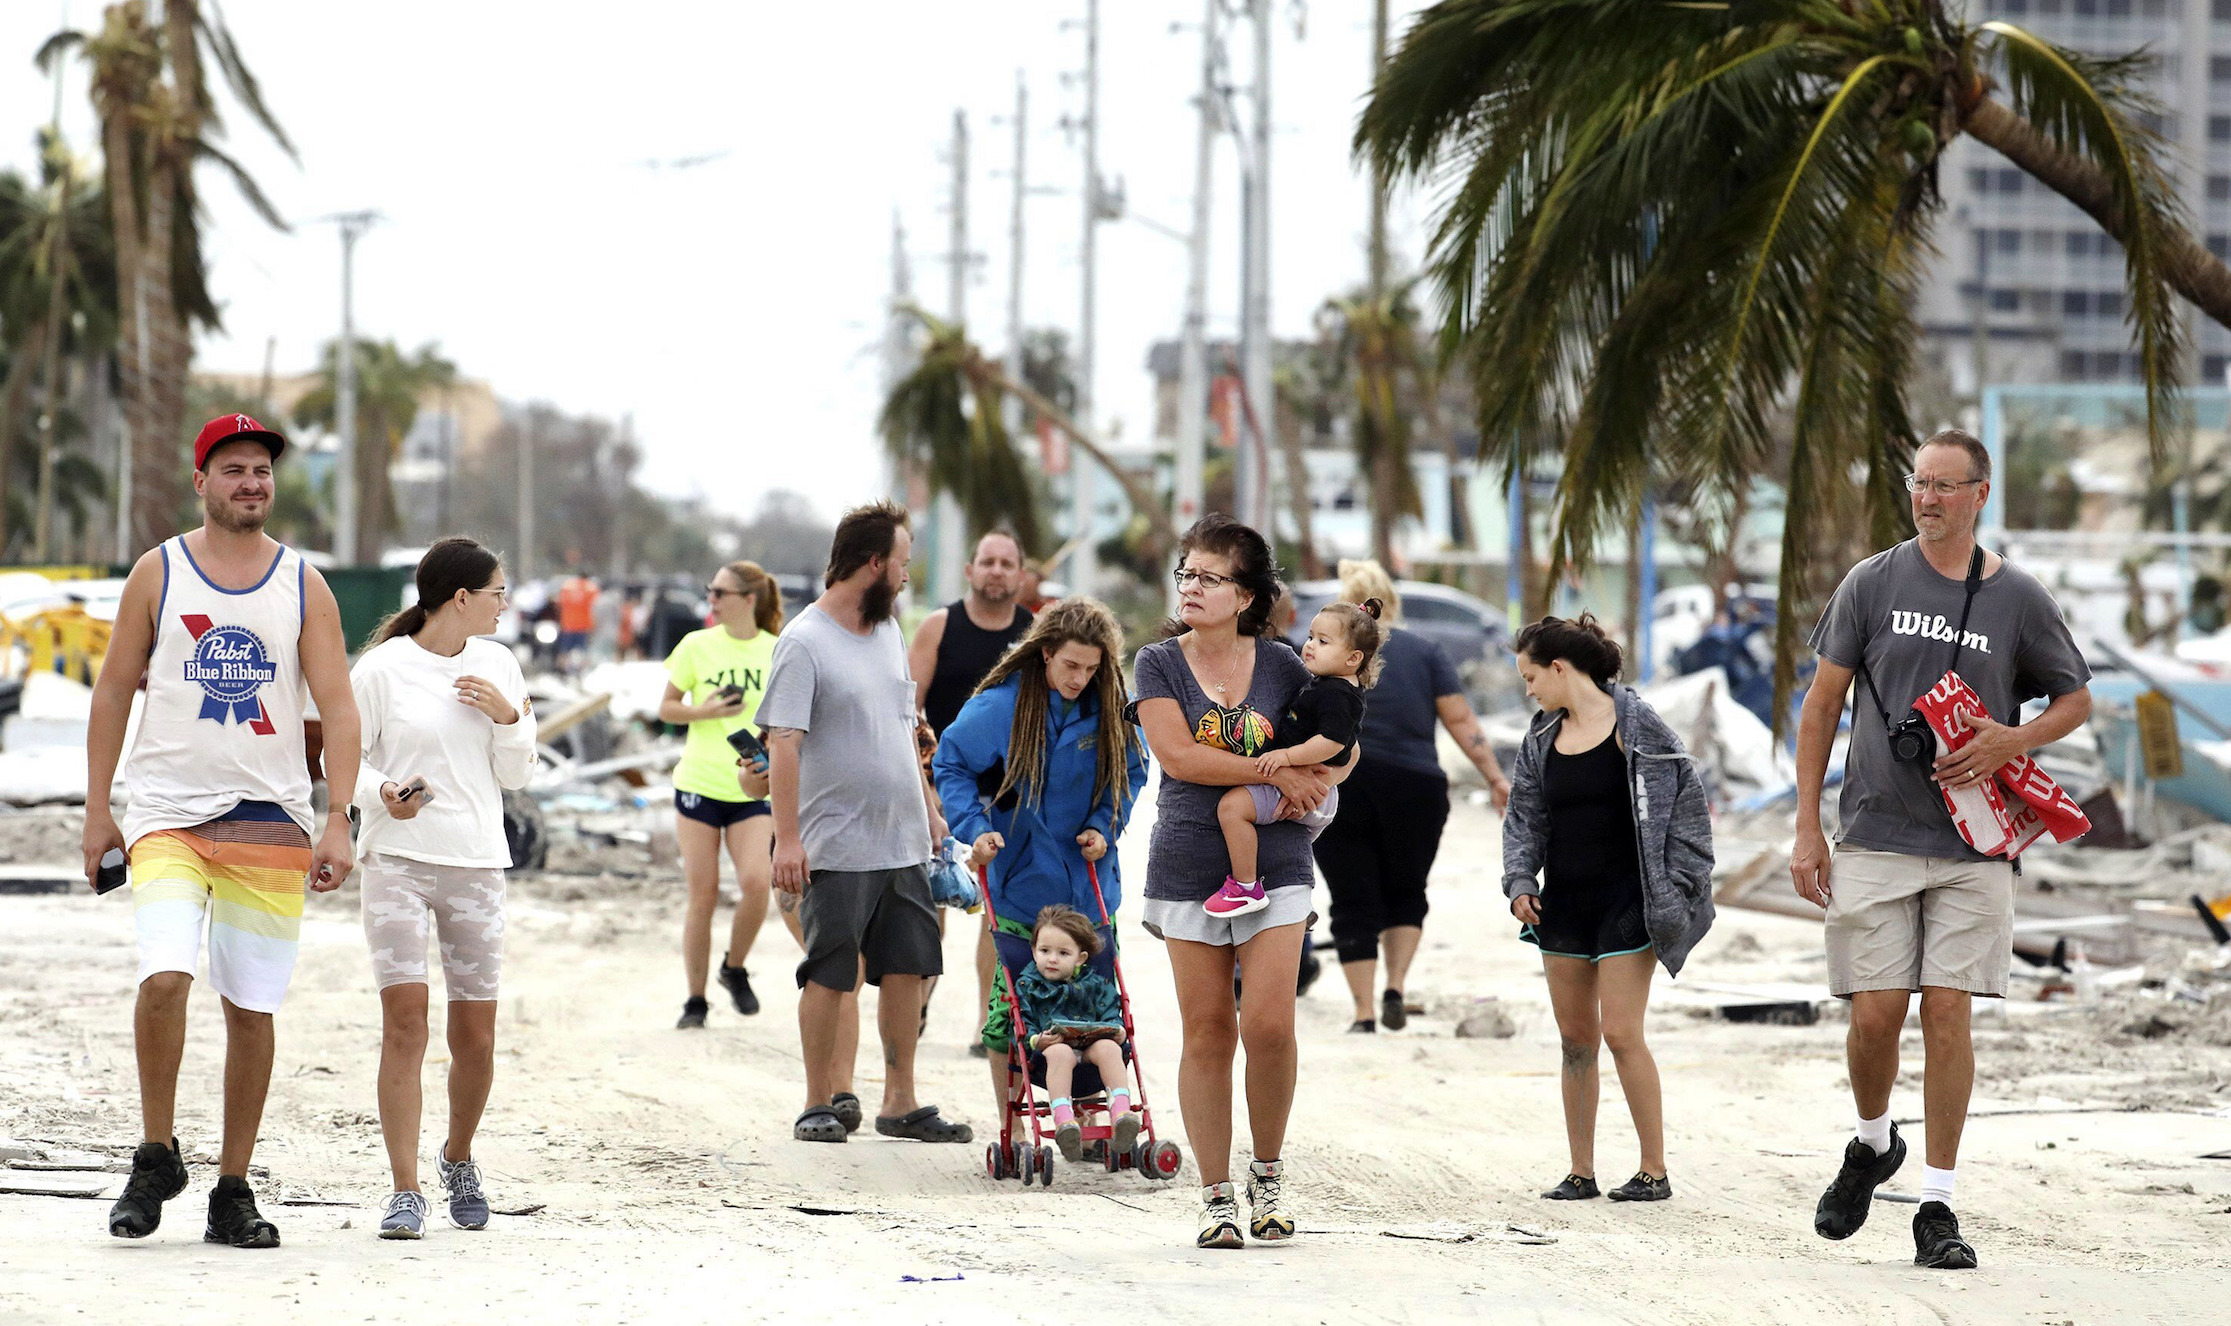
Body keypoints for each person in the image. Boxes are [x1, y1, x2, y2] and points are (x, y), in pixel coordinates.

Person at [1791, 428, 2092, 1270]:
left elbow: (2074, 701)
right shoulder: (1870, 582)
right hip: (1876, 833)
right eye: (1917, 483)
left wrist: (2008, 739)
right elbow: (1820, 707)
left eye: (1943, 485)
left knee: (1948, 1011)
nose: (1925, 498)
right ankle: (1870, 1143)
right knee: (1874, 1014)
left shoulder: (2020, 598)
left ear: (1978, 494)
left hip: (1974, 842)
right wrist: (1806, 826)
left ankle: (1937, 1204)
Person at [83, 414, 361, 1249]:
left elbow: (338, 706)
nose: (251, 484)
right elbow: (111, 693)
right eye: (234, 469)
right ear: (200, 482)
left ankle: (232, 1190)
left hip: (270, 821)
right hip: (167, 812)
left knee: (251, 1005)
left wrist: (339, 816)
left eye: (262, 472)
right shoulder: (157, 573)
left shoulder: (302, 583)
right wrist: (100, 808)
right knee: (165, 976)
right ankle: (156, 1152)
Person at [1132, 514, 1351, 1249]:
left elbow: (1344, 743)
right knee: (1207, 1032)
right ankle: (1215, 1195)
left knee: (1269, 1026)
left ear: (1247, 594)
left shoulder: (1288, 665)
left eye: (1208, 577)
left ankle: (1267, 1175)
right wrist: (1274, 767)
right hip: (1190, 859)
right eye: (1185, 574)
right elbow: (1180, 759)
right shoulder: (1157, 663)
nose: (1191, 587)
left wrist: (1318, 775)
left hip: (1279, 857)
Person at [760, 500, 969, 1146]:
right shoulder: (803, 642)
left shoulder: (886, 631)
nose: (907, 575)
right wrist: (788, 840)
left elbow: (906, 726)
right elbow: (783, 744)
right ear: (873, 564)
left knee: (909, 968)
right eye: (902, 562)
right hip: (834, 844)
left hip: (903, 838)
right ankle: (817, 1101)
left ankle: (899, 1102)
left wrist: (931, 813)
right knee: (831, 970)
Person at [350, 537, 538, 1239]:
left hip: (476, 864)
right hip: (397, 859)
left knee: (476, 1038)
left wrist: (507, 718)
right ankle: (404, 1190)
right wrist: (382, 794)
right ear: (460, 598)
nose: (504, 605)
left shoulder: (500, 665)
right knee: (405, 1026)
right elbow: (342, 758)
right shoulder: (383, 670)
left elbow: (518, 774)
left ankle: (458, 1156)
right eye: (496, 593)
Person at [1501, 614, 1715, 1205]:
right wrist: (1519, 880)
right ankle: (1580, 1170)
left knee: (1622, 1032)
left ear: (1560, 668)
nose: (1529, 690)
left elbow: (1689, 811)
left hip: (1629, 902)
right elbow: (1524, 819)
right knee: (1575, 1039)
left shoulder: (1640, 727)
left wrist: (1678, 888)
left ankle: (1654, 1170)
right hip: (1562, 903)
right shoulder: (1540, 738)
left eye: (1530, 677)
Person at [929, 597, 1148, 1126]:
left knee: (1095, 1009)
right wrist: (976, 830)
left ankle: (1096, 1121)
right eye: (1071, 665)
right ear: (1046, 653)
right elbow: (950, 763)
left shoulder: (1111, 705)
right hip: (1020, 884)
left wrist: (1104, 824)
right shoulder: (1004, 704)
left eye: (1093, 668)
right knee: (1013, 1017)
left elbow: (1134, 771)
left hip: (1090, 885)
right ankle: (1013, 1123)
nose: (1080, 678)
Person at [1311, 559, 1512, 1033]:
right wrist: (1495, 778)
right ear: (1392, 601)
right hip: (1416, 785)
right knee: (1406, 890)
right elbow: (1461, 722)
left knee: (1352, 896)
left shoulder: (1328, 650)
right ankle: (1395, 987)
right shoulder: (1425, 650)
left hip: (1344, 782)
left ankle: (1363, 1013)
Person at [909, 529, 1036, 1052]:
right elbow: (908, 712)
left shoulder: (1036, 632)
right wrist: (924, 788)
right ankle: (914, 1006)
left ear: (1021, 574)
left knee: (998, 919)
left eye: (1008, 563)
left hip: (1010, 799)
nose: (997, 571)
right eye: (988, 561)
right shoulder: (940, 626)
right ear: (969, 569)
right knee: (929, 914)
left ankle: (992, 1027)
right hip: (943, 795)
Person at [657, 561, 784, 1029]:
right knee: (703, 894)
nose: (710, 599)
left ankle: (733, 967)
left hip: (753, 784)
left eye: (719, 592)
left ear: (748, 600)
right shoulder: (697, 644)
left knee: (756, 883)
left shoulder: (777, 650)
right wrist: (706, 710)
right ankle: (695, 1000)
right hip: (699, 784)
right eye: (710, 591)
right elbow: (666, 707)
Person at [1208, 599, 1381, 917]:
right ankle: (1295, 909)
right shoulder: (1328, 684)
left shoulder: (1338, 693)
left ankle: (1245, 888)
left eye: (1323, 642)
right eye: (1312, 636)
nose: (1310, 646)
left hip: (1310, 788)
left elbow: (1332, 742)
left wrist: (1286, 757)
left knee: (1231, 809)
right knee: (1281, 851)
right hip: (1318, 793)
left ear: (1353, 658)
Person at [1014, 905, 1140, 1162]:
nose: (1051, 959)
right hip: (1049, 1057)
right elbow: (1022, 1024)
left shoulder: (1096, 985)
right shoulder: (1029, 985)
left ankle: (1121, 1113)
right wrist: (1036, 1040)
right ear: (1033, 951)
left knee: (1110, 1048)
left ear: (1080, 958)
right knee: (1059, 1050)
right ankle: (1064, 1121)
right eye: (1044, 951)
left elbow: (1111, 1013)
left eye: (1063, 953)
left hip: (1092, 1053)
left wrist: (1116, 1030)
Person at [555, 569, 598, 673]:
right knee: (583, 651)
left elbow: (559, 605)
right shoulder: (591, 589)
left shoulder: (567, 587)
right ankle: (582, 672)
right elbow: (594, 608)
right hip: (584, 625)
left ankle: (561, 671)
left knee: (564, 651)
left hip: (568, 624)